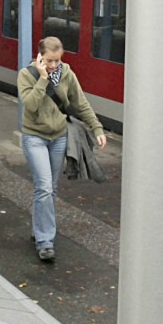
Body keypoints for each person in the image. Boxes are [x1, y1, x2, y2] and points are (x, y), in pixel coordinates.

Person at [16, 36, 106, 262]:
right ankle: (45, 241)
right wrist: (43, 78)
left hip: (58, 137)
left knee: (50, 188)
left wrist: (97, 128)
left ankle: (39, 229)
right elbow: (30, 105)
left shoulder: (67, 74)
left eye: (57, 60)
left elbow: (80, 103)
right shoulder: (26, 75)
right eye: (48, 60)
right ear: (39, 57)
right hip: (34, 137)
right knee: (44, 187)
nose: (53, 65)